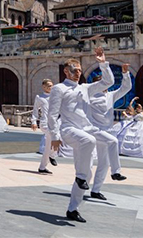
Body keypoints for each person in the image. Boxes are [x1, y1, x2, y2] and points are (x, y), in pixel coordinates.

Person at [47, 47, 116, 223]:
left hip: (86, 130)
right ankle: (80, 177)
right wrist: (54, 136)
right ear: (66, 71)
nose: (78, 73)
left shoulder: (85, 88)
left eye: (79, 70)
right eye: (74, 70)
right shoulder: (59, 89)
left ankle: (72, 209)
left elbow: (108, 82)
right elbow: (52, 114)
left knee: (89, 171)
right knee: (89, 142)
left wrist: (103, 64)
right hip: (69, 130)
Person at [86, 64, 131, 200]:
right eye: (101, 82)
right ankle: (116, 172)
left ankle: (96, 190)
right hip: (94, 129)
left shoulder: (110, 96)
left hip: (107, 131)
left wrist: (125, 74)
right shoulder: (88, 95)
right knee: (113, 142)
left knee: (104, 162)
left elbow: (125, 88)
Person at [31, 79, 57, 174]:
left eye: (52, 85)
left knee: (49, 145)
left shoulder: (55, 97)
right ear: (44, 87)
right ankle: (52, 155)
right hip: (44, 123)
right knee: (55, 136)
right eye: (49, 86)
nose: (51, 87)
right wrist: (33, 121)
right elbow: (35, 110)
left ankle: (42, 167)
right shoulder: (39, 97)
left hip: (54, 123)